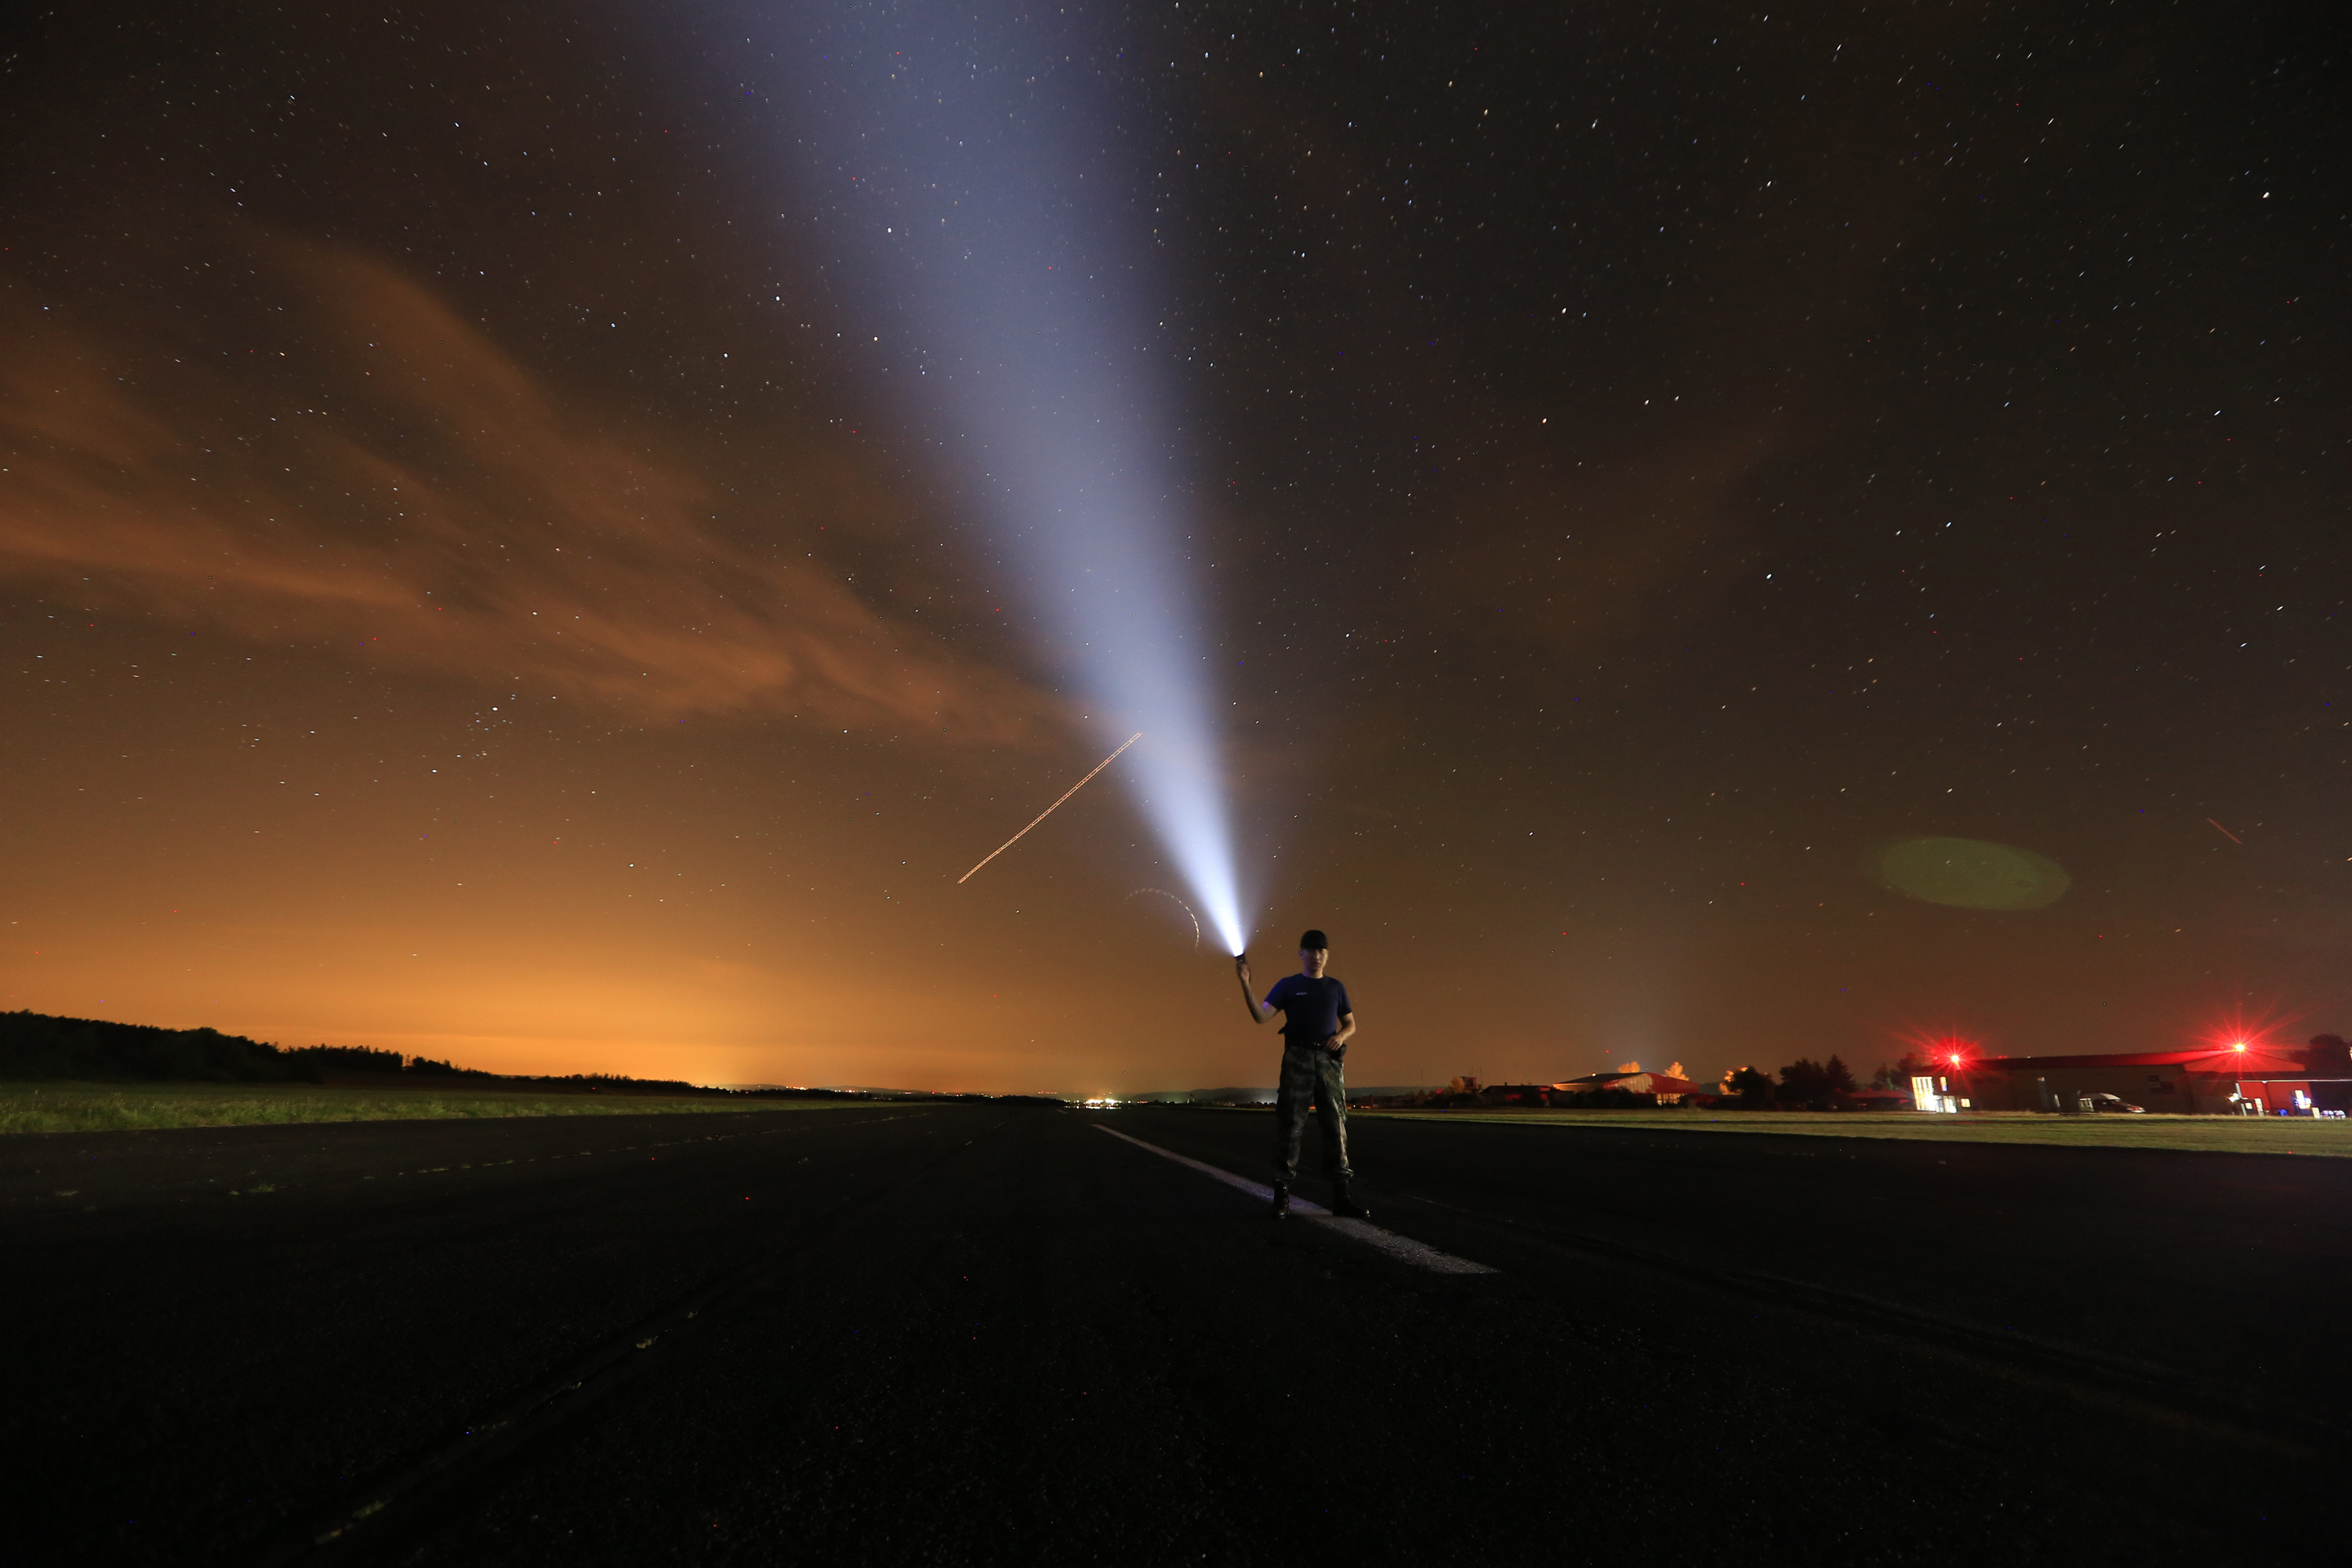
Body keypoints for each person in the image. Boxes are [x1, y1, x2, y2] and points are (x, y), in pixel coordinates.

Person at [1235, 930, 1369, 1219]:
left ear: (1327, 955)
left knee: (1336, 1127)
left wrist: (1342, 1036)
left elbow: (1350, 1023)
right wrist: (1246, 984)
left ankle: (1341, 1198)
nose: (1317, 956)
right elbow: (1261, 1016)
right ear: (1301, 954)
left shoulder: (1336, 987)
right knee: (1291, 1126)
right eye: (1311, 950)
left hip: (1329, 1062)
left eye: (1322, 951)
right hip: (1297, 1060)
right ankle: (1282, 1197)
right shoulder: (1288, 985)